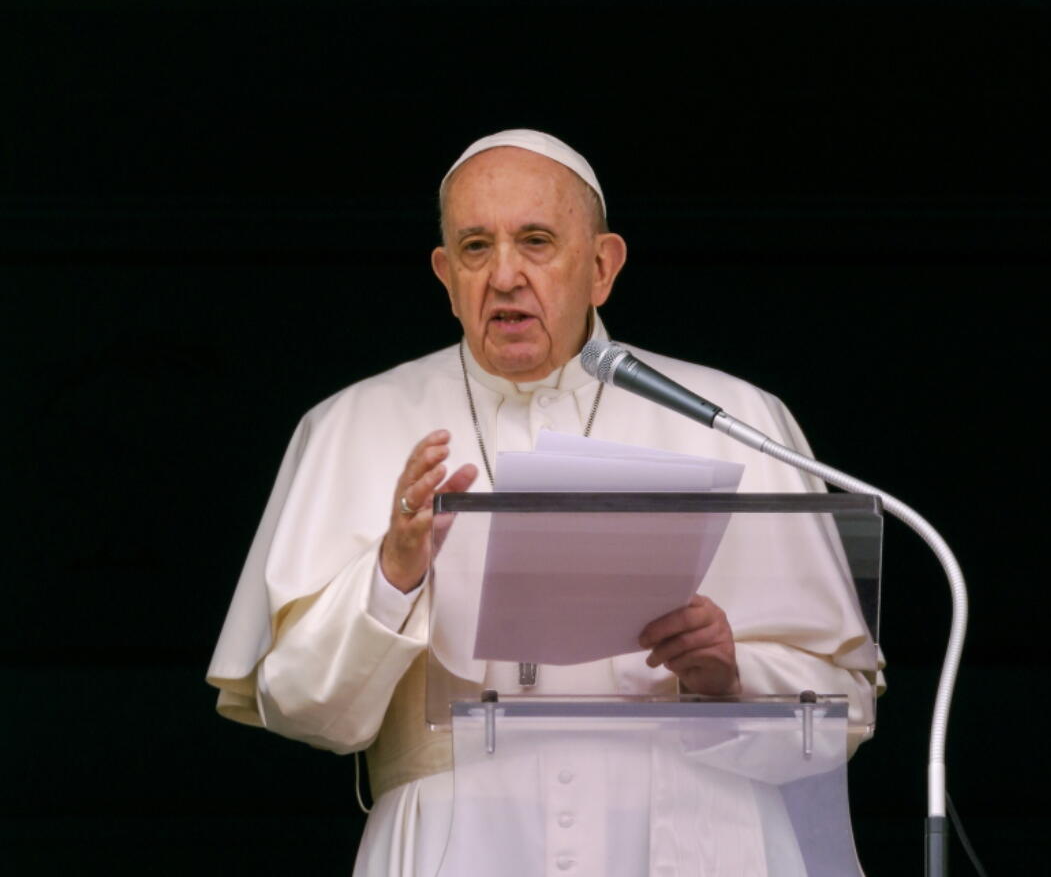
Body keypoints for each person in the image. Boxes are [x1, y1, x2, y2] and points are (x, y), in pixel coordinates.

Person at [207, 129, 879, 876]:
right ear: (443, 273)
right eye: (473, 247)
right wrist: (390, 577)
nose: (504, 275)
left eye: (535, 241)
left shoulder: (731, 418)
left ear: (601, 266)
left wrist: (732, 674)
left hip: (696, 845)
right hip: (456, 848)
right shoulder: (352, 424)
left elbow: (844, 709)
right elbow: (297, 708)